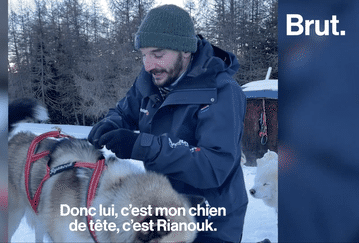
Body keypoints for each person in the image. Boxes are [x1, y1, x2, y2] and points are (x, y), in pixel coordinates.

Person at [88, 4, 248, 242]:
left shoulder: (223, 92)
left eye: (158, 54)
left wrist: (141, 145)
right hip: (162, 210)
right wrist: (110, 123)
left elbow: (214, 165)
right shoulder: (151, 80)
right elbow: (124, 111)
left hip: (212, 220)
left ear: (185, 50)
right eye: (144, 55)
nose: (148, 65)